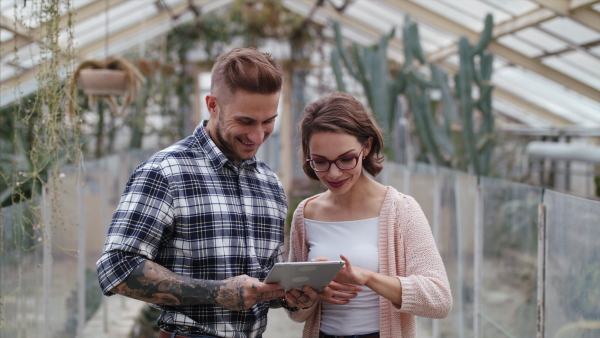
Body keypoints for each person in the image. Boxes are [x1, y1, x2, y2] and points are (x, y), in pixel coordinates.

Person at [96, 47, 314, 338]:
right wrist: (217, 293)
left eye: (268, 121)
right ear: (212, 105)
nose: (258, 136)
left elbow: (262, 286)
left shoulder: (270, 185)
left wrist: (288, 293)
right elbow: (115, 268)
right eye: (246, 121)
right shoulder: (165, 172)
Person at [285, 91, 452, 338]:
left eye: (346, 159)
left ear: (366, 146)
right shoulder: (305, 213)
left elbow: (439, 300)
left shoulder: (401, 210)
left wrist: (367, 277)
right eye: (320, 162)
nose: (333, 174)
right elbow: (295, 313)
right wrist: (308, 294)